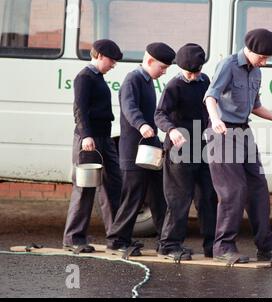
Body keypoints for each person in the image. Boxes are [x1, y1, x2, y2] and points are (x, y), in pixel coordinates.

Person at [204, 29, 272, 264]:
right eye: (262, 57)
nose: (264, 63)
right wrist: (215, 120)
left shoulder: (256, 72)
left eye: (268, 58)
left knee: (258, 188)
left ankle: (266, 247)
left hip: (244, 132)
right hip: (222, 132)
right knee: (233, 191)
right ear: (250, 49)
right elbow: (210, 96)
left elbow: (256, 106)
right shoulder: (227, 65)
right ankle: (223, 247)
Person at [106, 43, 176, 257]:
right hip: (133, 150)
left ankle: (167, 242)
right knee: (133, 197)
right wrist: (142, 125)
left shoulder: (147, 81)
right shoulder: (133, 79)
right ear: (150, 61)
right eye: (162, 67)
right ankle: (117, 240)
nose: (164, 72)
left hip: (149, 147)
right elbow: (129, 107)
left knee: (158, 195)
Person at [155, 43, 218, 261]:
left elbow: (210, 108)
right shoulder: (174, 85)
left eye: (196, 72)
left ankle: (212, 245)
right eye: (188, 72)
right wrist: (171, 130)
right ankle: (169, 244)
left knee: (208, 197)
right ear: (180, 68)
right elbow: (160, 114)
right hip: (180, 148)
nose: (192, 76)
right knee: (179, 198)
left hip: (202, 147)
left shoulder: (206, 81)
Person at [63, 39, 123, 253]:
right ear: (98, 55)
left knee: (113, 185)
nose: (113, 65)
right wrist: (86, 135)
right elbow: (80, 109)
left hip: (104, 139)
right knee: (85, 189)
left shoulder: (98, 77)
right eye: (111, 60)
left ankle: (117, 238)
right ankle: (73, 239)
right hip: (88, 140)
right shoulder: (85, 77)